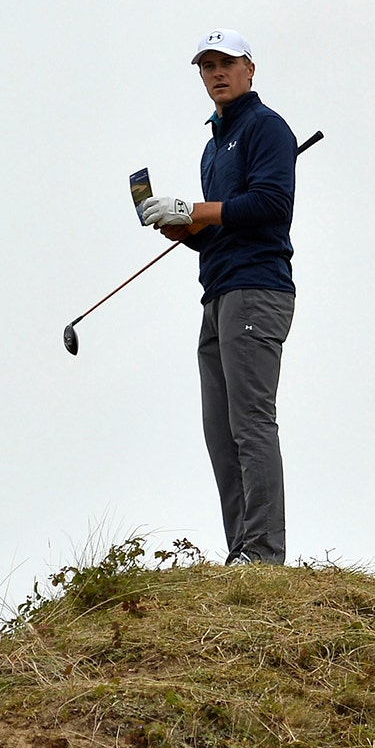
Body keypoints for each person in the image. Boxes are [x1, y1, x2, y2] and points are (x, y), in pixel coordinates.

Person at [138, 28, 298, 565]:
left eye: (226, 63)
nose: (216, 74)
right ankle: (242, 554)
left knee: (251, 422)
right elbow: (222, 228)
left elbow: (272, 204)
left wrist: (200, 210)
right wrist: (185, 231)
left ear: (249, 69)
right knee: (220, 430)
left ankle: (264, 554)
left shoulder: (266, 126)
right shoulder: (213, 145)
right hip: (218, 294)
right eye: (207, 66)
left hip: (257, 290)